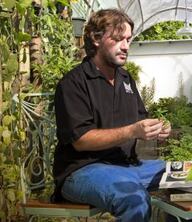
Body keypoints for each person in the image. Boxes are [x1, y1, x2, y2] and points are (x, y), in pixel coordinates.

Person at [52, 9, 171, 221]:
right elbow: (81, 140)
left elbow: (141, 121)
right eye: (118, 39)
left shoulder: (126, 79)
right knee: (132, 197)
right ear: (97, 39)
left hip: (128, 167)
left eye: (128, 39)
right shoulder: (73, 84)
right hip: (83, 171)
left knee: (188, 178)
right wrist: (132, 131)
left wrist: (158, 129)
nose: (126, 46)